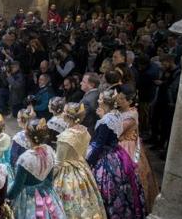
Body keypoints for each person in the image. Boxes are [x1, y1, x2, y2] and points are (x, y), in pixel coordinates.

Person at [86, 90, 146, 219]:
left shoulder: (107, 120)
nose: (98, 100)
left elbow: (98, 144)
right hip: (117, 154)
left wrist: (88, 161)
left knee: (106, 189)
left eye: (100, 99)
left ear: (104, 102)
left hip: (106, 157)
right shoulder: (116, 114)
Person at [53, 102, 106, 219]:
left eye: (64, 112)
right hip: (82, 169)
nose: (62, 113)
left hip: (67, 174)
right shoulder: (84, 131)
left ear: (67, 116)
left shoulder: (65, 137)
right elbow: (82, 154)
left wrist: (48, 178)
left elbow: (58, 163)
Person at [7, 118, 67, 219]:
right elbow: (49, 179)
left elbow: (17, 186)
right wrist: (46, 191)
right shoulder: (50, 150)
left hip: (26, 198)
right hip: (45, 192)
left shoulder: (25, 159)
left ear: (26, 135)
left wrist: (7, 197)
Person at [116, 84, 159, 214]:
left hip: (127, 146)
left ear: (129, 101)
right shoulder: (122, 110)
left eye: (122, 98)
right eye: (118, 97)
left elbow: (116, 131)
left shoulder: (131, 114)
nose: (118, 99)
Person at [10, 104, 36, 168]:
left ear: (23, 120)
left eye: (18, 118)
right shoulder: (35, 132)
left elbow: (13, 156)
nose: (17, 120)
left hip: (22, 167)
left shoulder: (18, 137)